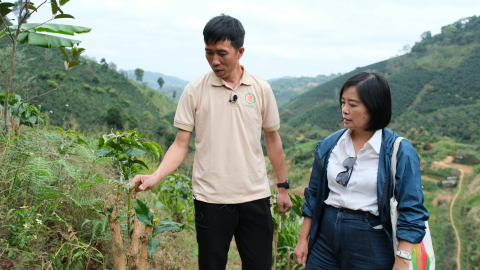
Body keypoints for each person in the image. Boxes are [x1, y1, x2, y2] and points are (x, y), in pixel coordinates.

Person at [131, 14, 293, 270]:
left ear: (240, 52)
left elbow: (273, 139)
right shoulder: (194, 91)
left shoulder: (261, 89)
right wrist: (156, 175)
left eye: (221, 53)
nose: (214, 61)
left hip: (255, 196)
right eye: (208, 53)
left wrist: (282, 188)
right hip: (211, 198)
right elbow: (180, 144)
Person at [293, 70, 429, 269]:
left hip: (370, 240)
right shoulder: (330, 145)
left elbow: (412, 209)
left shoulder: (399, 151)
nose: (344, 110)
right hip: (325, 237)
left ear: (375, 107)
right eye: (343, 102)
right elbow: (313, 195)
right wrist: (303, 239)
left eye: (353, 105)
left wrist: (402, 259)